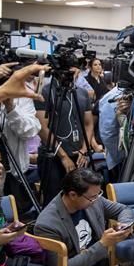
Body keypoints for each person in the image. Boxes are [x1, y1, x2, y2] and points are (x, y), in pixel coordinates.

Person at [34, 70, 101, 206]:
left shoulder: (81, 93)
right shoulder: (45, 92)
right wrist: (64, 157)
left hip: (79, 156)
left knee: (83, 200)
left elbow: (88, 124)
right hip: (53, 156)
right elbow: (42, 127)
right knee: (54, 202)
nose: (71, 72)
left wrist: (84, 149)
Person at [0, 62, 41, 217]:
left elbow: (31, 131)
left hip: (14, 171)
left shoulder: (21, 95)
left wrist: (11, 108)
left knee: (14, 217)